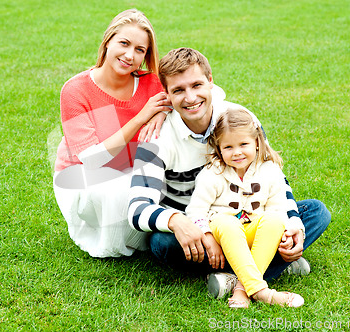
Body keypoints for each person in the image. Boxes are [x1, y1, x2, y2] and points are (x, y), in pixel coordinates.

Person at [128, 47, 331, 291]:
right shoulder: (155, 138)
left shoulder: (241, 118)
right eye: (179, 90)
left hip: (252, 221)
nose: (190, 98)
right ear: (167, 94)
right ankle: (271, 267)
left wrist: (293, 225)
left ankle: (233, 281)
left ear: (211, 82)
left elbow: (275, 179)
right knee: (162, 243)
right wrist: (178, 222)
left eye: (197, 85)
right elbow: (137, 210)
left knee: (315, 212)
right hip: (195, 226)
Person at [53, 9, 171, 257]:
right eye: (124, 43)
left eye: (140, 50)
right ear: (107, 43)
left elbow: (207, 92)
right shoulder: (76, 90)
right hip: (85, 176)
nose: (130, 55)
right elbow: (93, 160)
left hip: (134, 167)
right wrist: (142, 116)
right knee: (116, 191)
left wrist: (162, 111)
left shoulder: (152, 83)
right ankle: (122, 235)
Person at [186, 107, 304, 308]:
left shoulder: (270, 171)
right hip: (221, 235)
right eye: (228, 147)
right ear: (219, 148)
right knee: (227, 222)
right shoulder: (212, 173)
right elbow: (195, 210)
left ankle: (241, 288)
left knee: (275, 220)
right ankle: (261, 291)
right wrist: (206, 235)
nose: (237, 152)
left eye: (244, 144)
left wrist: (285, 237)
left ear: (257, 143)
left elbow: (277, 208)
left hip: (254, 234)